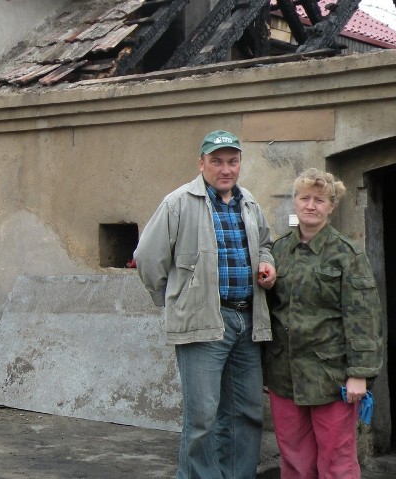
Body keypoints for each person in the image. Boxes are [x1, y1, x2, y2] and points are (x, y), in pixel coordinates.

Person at [134, 130, 277, 479]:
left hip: (247, 321)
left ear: (240, 163)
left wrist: (265, 263)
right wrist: (175, 300)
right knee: (202, 418)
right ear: (202, 164)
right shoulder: (179, 203)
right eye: (216, 161)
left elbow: (266, 244)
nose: (225, 169)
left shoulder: (250, 203)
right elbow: (147, 259)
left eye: (232, 161)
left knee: (247, 412)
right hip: (203, 323)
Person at [264, 168, 383, 479]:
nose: (311, 205)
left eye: (320, 200)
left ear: (332, 206)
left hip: (332, 377)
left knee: (336, 462)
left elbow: (364, 317)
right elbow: (270, 312)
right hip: (285, 376)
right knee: (294, 462)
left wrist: (359, 374)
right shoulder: (279, 251)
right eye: (305, 198)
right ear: (295, 202)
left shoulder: (347, 254)